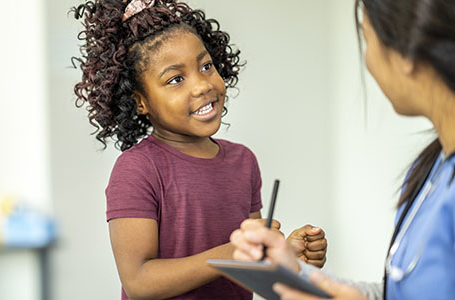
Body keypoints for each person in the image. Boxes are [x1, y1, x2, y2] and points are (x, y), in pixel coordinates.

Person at [71, 0, 329, 299]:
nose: (201, 86)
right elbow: (139, 282)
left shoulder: (243, 161)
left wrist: (286, 257)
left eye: (206, 66)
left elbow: (247, 266)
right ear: (140, 101)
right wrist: (230, 253)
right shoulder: (138, 168)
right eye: (176, 79)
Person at [229, 0, 455, 299]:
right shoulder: (433, 166)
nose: (368, 60)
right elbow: (402, 293)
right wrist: (295, 273)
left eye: (366, 37)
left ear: (407, 53)